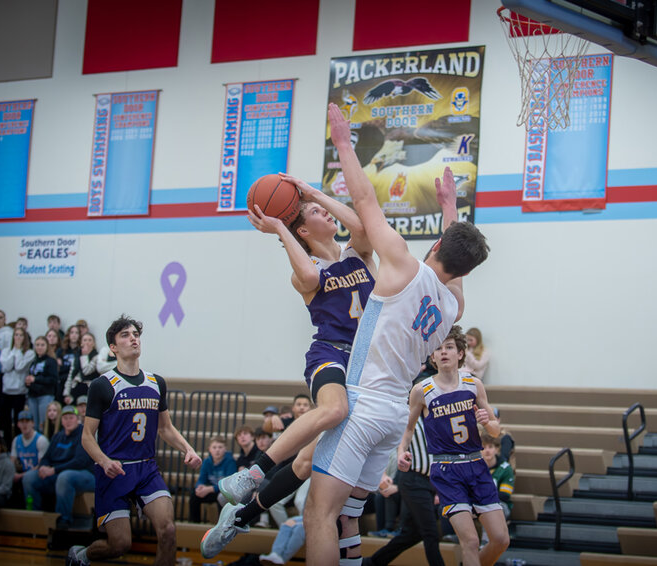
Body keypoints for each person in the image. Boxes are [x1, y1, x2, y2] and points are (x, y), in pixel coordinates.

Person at [302, 104, 488, 566]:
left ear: (437, 246)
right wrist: (449, 208)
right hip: (392, 418)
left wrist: (343, 141)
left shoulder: (403, 264)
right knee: (347, 517)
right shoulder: (452, 307)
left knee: (318, 514)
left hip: (362, 404)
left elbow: (365, 203)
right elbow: (454, 265)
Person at [201, 165, 378, 558]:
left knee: (304, 463)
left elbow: (364, 225)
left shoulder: (359, 253)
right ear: (301, 231)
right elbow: (307, 276)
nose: (326, 214)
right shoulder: (305, 273)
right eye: (316, 215)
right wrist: (280, 227)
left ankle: (239, 517)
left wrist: (313, 195)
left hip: (366, 367)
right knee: (334, 409)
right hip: (329, 354)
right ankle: (253, 472)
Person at [68, 315, 201, 566]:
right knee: (119, 545)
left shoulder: (156, 382)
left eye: (136, 334)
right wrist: (104, 461)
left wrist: (188, 448)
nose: (133, 339)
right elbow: (87, 437)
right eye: (126, 335)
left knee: (168, 530)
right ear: (113, 347)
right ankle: (82, 556)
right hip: (113, 471)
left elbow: (166, 428)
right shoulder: (102, 385)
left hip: (146, 468)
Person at [402, 326, 508, 566]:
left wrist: (486, 422)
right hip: (447, 469)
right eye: (438, 348)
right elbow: (408, 428)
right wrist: (401, 451)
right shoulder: (421, 390)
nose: (444, 352)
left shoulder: (474, 384)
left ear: (460, 353)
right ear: (432, 356)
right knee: (469, 541)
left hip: (476, 464)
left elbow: (495, 430)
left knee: (501, 539)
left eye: (449, 347)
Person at [366, 413, 442, 566]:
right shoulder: (408, 417)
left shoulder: (438, 416)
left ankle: (371, 563)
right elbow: (381, 443)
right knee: (431, 534)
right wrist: (381, 473)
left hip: (430, 483)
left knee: (412, 534)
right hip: (413, 481)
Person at [21, 405, 94, 528]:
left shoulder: (84, 434)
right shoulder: (57, 436)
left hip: (85, 475)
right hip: (58, 474)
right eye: (65, 418)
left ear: (77, 419)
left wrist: (54, 470)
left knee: (65, 477)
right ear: (61, 421)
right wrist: (43, 467)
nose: (68, 421)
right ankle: (36, 517)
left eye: (71, 418)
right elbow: (46, 458)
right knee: (29, 478)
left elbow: (80, 462)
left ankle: (63, 520)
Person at [0, 327, 36, 446]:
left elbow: (19, 367)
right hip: (6, 390)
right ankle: (7, 444)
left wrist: (19, 350)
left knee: (18, 420)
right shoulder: (6, 351)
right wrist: (14, 351)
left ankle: (18, 443)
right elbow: (6, 367)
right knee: (5, 420)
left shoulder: (29, 352)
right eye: (16, 335)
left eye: (20, 335)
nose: (18, 338)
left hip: (19, 391)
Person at [190, 436, 237, 523]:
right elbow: (201, 479)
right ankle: (195, 522)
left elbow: (229, 484)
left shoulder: (230, 462)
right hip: (211, 491)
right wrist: (199, 487)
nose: (217, 450)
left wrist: (210, 489)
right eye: (214, 447)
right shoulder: (207, 462)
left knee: (222, 497)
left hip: (224, 492)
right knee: (194, 495)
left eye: (220, 447)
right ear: (209, 449)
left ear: (225, 449)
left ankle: (222, 525)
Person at [479, 433, 514, 547]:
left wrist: (483, 497)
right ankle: (456, 537)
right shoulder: (474, 467)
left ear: (497, 449)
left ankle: (485, 543)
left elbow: (504, 495)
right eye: (483, 448)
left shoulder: (505, 468)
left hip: (501, 505)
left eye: (490, 447)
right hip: (477, 502)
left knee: (488, 507)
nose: (487, 451)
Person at [10, 410, 48, 506]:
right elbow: (11, 461)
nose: (24, 425)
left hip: (38, 473)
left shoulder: (41, 440)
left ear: (33, 423)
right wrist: (12, 473)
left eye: (27, 422)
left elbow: (41, 465)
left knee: (28, 479)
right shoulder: (16, 440)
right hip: (23, 472)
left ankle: (33, 510)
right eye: (22, 422)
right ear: (18, 424)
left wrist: (21, 475)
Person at [26, 336, 58, 431]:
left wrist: (35, 379)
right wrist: (28, 382)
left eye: (42, 345)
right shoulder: (33, 362)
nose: (39, 347)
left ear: (47, 346)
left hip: (45, 395)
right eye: (37, 345)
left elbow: (53, 380)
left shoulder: (51, 361)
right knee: (33, 425)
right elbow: (31, 377)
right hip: (32, 395)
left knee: (43, 425)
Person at [64, 332, 99, 404]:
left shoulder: (97, 357)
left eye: (90, 340)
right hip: (76, 387)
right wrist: (67, 393)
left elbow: (86, 371)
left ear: (93, 343)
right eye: (85, 340)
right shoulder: (76, 357)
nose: (87, 342)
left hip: (90, 389)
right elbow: (71, 375)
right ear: (81, 343)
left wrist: (85, 356)